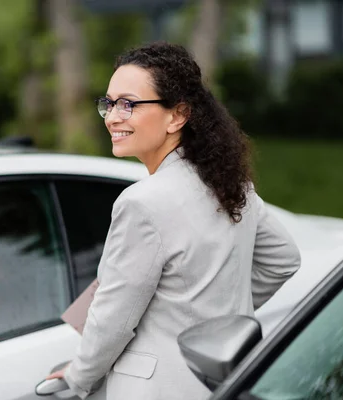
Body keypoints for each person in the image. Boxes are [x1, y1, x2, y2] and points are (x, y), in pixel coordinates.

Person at [45, 41, 301, 399]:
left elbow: (112, 320)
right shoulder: (227, 183)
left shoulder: (141, 203)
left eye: (128, 104)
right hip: (220, 382)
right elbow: (283, 260)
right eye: (109, 103)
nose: (113, 116)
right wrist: (212, 321)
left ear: (177, 115)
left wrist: (78, 378)